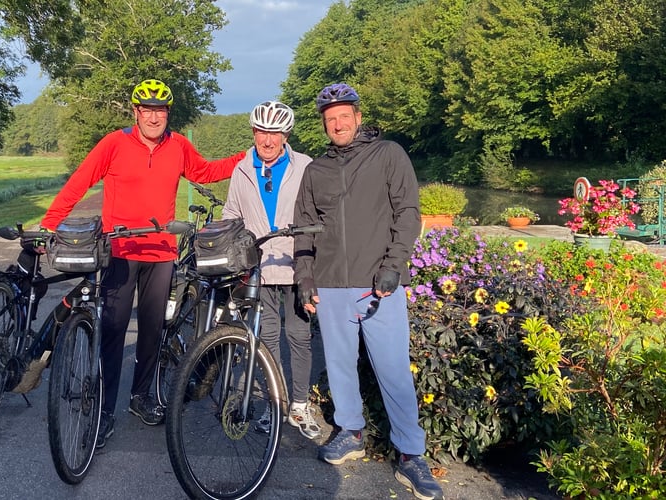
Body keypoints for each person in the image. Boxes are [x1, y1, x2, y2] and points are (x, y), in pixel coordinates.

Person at [40, 79, 246, 448]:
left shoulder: (179, 145)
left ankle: (140, 397)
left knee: (153, 330)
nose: (154, 116)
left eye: (161, 110)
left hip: (161, 253)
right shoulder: (114, 143)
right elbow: (80, 181)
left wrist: (244, 158)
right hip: (120, 251)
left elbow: (203, 172)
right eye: (147, 110)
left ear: (168, 113)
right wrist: (50, 223)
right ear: (136, 112)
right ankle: (102, 410)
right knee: (114, 331)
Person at [293, 83, 444, 500]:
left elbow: (407, 212)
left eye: (344, 116)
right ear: (324, 125)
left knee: (393, 369)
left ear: (358, 118)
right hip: (331, 283)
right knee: (341, 365)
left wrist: (394, 265)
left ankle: (412, 456)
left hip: (379, 283)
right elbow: (303, 227)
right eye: (330, 119)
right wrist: (304, 276)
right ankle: (351, 431)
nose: (338, 124)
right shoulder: (316, 171)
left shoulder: (388, 155)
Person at [221, 101, 321, 440]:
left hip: (297, 264)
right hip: (259, 266)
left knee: (299, 335)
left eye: (275, 133)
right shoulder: (242, 169)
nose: (267, 140)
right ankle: (277, 404)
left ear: (286, 135)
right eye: (262, 132)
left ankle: (300, 404)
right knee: (267, 338)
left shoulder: (305, 166)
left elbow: (319, 215)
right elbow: (231, 213)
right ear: (253, 133)